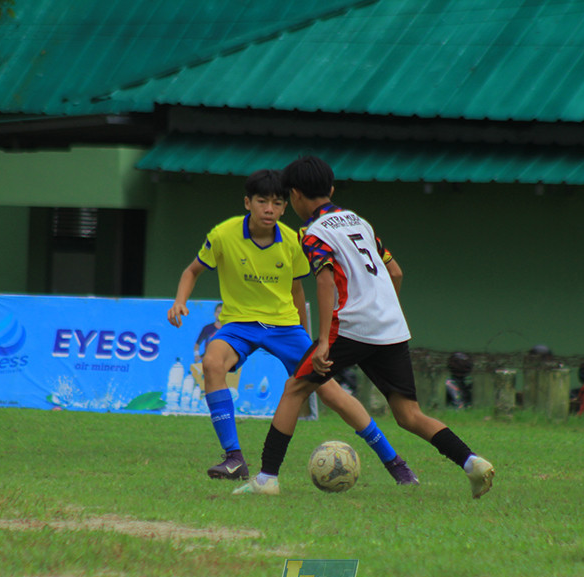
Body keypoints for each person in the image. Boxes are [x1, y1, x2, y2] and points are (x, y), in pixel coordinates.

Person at [233, 156, 494, 498]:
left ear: (294, 195)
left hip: (350, 326)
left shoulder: (312, 232)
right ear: (331, 189)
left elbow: (325, 281)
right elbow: (396, 271)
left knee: (294, 389)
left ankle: (267, 478)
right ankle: (471, 462)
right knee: (409, 414)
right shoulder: (359, 222)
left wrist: (324, 341)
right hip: (390, 327)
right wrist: (382, 312)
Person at [167, 169, 418, 485]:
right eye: (262, 201)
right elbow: (191, 271)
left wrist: (308, 338)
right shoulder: (223, 234)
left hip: (285, 326)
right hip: (239, 324)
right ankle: (234, 458)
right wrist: (180, 301)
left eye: (277, 203)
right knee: (212, 363)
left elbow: (298, 290)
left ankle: (394, 462)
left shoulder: (294, 240)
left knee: (330, 392)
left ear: (286, 206)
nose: (269, 209)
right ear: (247, 202)